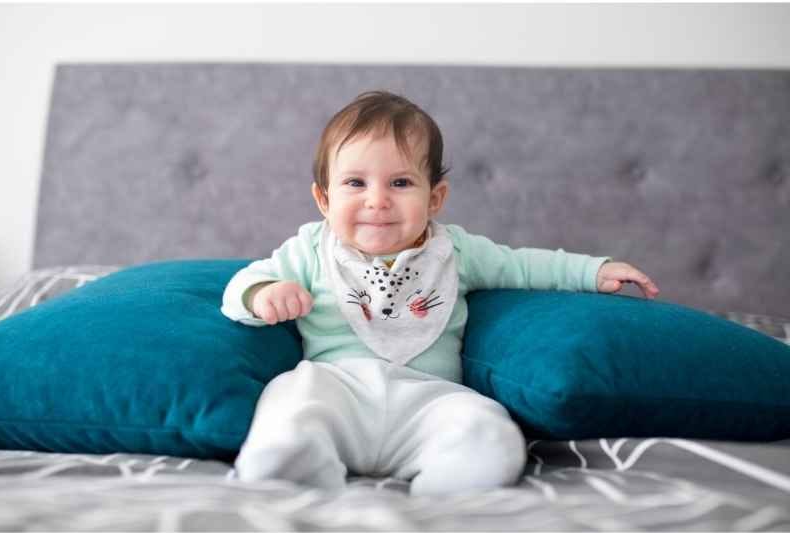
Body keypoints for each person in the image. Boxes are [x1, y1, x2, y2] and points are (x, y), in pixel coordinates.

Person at [220, 90, 660, 495]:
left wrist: (592, 271)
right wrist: (264, 293)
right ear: (323, 199)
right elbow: (238, 287)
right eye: (355, 183)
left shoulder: (456, 251)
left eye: (400, 183)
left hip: (429, 397)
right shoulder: (311, 247)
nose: (377, 200)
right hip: (337, 389)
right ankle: (298, 481)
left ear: (435, 198)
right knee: (288, 407)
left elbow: (524, 265)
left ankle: (440, 502)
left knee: (489, 433)